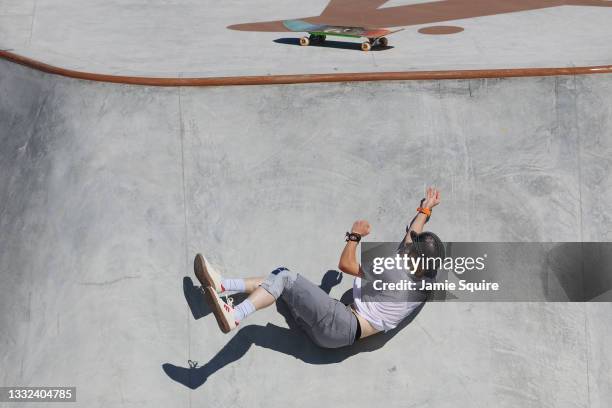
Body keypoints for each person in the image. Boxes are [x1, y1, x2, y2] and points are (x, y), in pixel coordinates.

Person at [195, 187, 445, 349]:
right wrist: (426, 209)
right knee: (277, 281)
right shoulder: (425, 281)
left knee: (284, 277)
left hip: (339, 321)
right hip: (334, 337)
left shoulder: (393, 272)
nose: (407, 244)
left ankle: (235, 315)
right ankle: (223, 285)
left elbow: (346, 265)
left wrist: (355, 236)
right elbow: (413, 236)